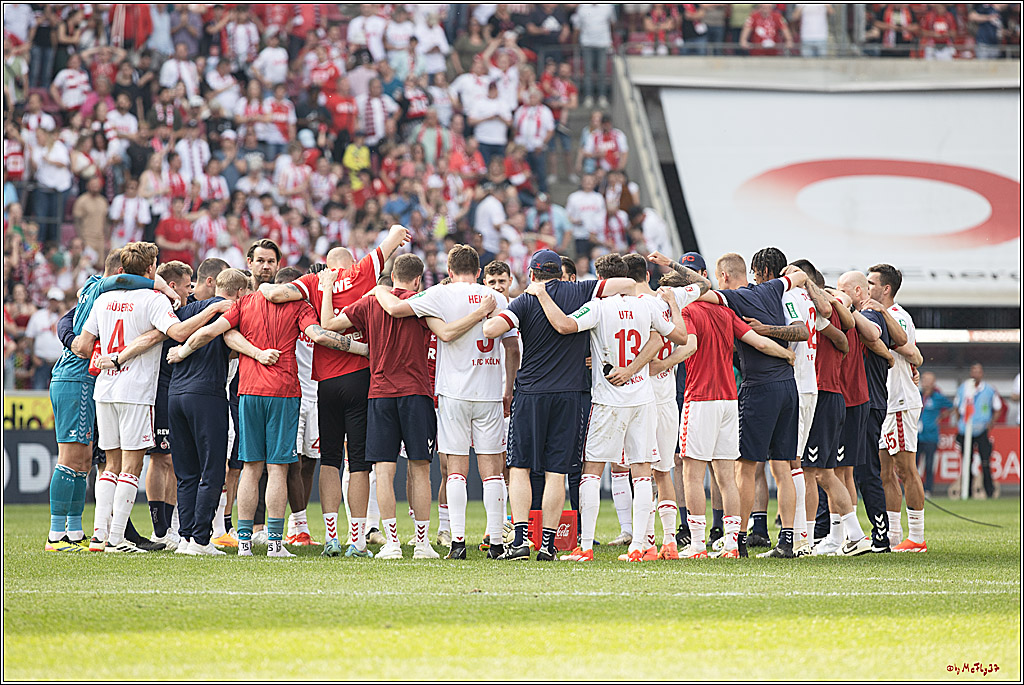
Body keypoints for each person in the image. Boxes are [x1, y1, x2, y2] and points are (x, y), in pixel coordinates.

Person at [167, 240, 364, 558]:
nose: (266, 266)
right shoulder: (299, 307)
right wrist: (363, 349)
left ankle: (245, 544)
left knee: (250, 468)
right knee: (276, 469)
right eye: (262, 261)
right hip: (283, 392)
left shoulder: (243, 304)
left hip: (249, 392)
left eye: (270, 261)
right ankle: (274, 544)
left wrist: (182, 351)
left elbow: (213, 332)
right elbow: (320, 335)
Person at [257, 226, 410, 558]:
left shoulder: (314, 282)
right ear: (351, 263)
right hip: (360, 378)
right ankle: (357, 540)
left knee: (329, 460)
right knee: (358, 463)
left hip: (326, 382)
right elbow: (392, 238)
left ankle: (330, 538)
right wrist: (399, 232)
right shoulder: (363, 271)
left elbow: (276, 295)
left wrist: (264, 284)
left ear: (327, 265)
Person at [527, 253, 688, 563]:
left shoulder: (597, 307)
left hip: (609, 400)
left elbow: (563, 325)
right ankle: (638, 546)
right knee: (642, 471)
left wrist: (542, 295)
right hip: (642, 398)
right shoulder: (646, 305)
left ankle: (586, 545)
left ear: (602, 281)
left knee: (592, 470)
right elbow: (677, 337)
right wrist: (633, 369)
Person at [481, 249, 637, 561]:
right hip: (570, 393)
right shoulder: (581, 291)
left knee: (520, 467)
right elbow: (629, 285)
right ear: (559, 272)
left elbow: (491, 330)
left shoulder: (525, 300)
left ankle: (520, 541)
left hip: (531, 393)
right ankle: (548, 545)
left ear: (532, 274)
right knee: (557, 472)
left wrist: (490, 312)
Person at [70, 242, 224, 552]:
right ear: (151, 268)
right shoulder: (153, 299)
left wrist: (112, 352)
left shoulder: (104, 299)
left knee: (110, 465)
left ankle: (99, 537)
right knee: (132, 466)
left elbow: (84, 345)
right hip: (136, 390)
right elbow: (178, 333)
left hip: (105, 388)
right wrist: (212, 310)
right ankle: (116, 538)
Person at [371, 244, 520, 559]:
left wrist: (380, 289)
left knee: (456, 470)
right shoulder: (497, 297)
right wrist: (508, 388)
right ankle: (496, 543)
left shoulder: (440, 294)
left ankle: (458, 543)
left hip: (453, 393)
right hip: (490, 392)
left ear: (449, 272)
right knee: (492, 471)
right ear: (478, 272)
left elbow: (396, 309)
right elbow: (512, 348)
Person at [322, 254, 464, 561]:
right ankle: (422, 544)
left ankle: (392, 544)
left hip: (380, 394)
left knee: (383, 472)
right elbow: (447, 332)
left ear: (392, 275)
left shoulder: (370, 302)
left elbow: (328, 325)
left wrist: (328, 288)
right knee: (420, 470)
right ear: (417, 280)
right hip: (417, 394)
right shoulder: (423, 302)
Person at [44, 249, 173, 552]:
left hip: (90, 381)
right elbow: (80, 341)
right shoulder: (104, 288)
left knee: (87, 461)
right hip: (79, 378)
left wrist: (69, 338)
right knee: (72, 458)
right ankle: (56, 534)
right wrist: (162, 287)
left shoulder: (91, 289)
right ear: (119, 274)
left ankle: (76, 531)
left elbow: (65, 321)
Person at [706, 250, 809, 558]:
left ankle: (737, 540)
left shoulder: (733, 297)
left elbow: (702, 293)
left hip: (759, 388)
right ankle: (787, 541)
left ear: (724, 276)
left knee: (747, 466)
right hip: (788, 386)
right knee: (784, 466)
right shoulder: (774, 289)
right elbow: (801, 276)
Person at [623, 253, 703, 559]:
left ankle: (645, 542)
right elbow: (704, 284)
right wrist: (671, 264)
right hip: (668, 396)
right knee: (663, 472)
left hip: (639, 397)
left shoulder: (627, 306)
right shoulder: (669, 298)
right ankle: (669, 540)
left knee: (640, 472)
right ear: (647, 274)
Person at [867, 263, 927, 552]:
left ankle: (917, 536)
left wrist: (916, 361)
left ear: (886, 288)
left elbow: (910, 350)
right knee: (884, 471)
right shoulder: (877, 315)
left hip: (900, 401)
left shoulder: (898, 316)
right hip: (884, 402)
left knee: (905, 469)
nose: (868, 287)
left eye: (872, 283)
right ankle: (893, 534)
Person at [837, 270, 896, 553]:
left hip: (869, 402)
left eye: (843, 289)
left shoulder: (870, 314)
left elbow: (875, 335)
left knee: (866, 470)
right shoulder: (864, 314)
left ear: (857, 292)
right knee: (847, 469)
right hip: (861, 401)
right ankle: (843, 533)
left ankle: (881, 535)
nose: (839, 294)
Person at [954, 363, 1003, 500]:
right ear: (970, 373)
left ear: (982, 374)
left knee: (985, 461)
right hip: (965, 430)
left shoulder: (989, 390)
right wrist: (960, 423)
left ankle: (989, 492)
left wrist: (991, 423)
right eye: (973, 371)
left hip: (981, 429)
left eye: (978, 371)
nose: (975, 374)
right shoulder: (963, 388)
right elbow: (957, 407)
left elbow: (998, 407)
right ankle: (967, 492)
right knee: (967, 462)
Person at [918, 371, 953, 496]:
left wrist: (942, 416)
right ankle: (912, 490)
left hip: (931, 436)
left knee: (929, 464)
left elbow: (952, 406)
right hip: (916, 436)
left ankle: (928, 489)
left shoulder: (938, 397)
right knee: (912, 465)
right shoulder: (916, 395)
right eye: (923, 379)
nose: (925, 382)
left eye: (928, 380)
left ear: (933, 382)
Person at [24, 288, 66, 390]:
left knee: (59, 391)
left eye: (57, 301)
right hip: (41, 361)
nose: (55, 304)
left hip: (60, 362)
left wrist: (62, 313)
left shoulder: (67, 317)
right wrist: (33, 356)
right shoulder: (38, 315)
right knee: (39, 390)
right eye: (53, 300)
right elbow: (29, 337)